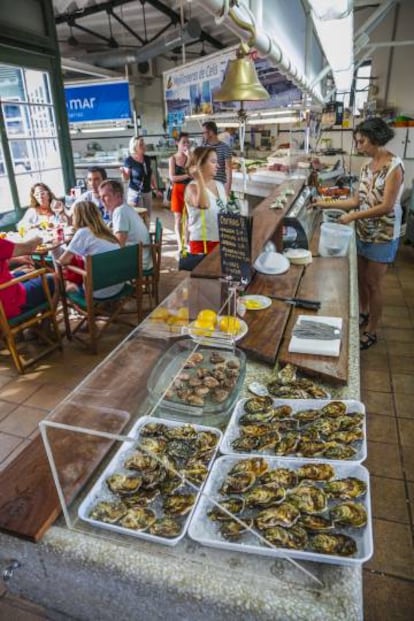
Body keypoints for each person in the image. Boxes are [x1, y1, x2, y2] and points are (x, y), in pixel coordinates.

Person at [312, 117, 405, 350]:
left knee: (374, 283)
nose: (358, 146)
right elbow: (356, 200)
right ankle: (363, 313)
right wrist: (323, 203)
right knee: (362, 278)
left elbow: (386, 205)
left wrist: (352, 217)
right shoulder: (365, 167)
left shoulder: (395, 167)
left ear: (375, 139)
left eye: (361, 141)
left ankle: (372, 330)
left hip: (382, 234)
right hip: (363, 230)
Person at [56, 201, 124, 299]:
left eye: (73, 215)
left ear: (78, 216)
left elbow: (62, 261)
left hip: (98, 291)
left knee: (59, 275)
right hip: (118, 285)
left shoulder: (83, 233)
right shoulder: (108, 233)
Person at [98, 179, 152, 270]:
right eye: (100, 197)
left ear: (118, 196)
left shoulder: (120, 212)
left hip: (138, 263)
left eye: (105, 196)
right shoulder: (125, 208)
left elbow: (119, 244)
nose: (102, 201)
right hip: (141, 257)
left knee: (95, 265)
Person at [0, 236, 58, 319]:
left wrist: (18, 260)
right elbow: (28, 247)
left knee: (29, 272)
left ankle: (32, 324)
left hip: (5, 290)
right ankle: (45, 326)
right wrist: (38, 238)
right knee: (54, 278)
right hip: (8, 305)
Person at [184, 146, 228, 255]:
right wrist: (199, 178)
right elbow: (203, 205)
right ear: (200, 164)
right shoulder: (192, 188)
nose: (217, 166)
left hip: (222, 240)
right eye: (213, 162)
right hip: (202, 244)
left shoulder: (219, 185)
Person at [120, 136, 162, 220]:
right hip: (136, 193)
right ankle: (140, 233)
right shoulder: (129, 160)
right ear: (134, 147)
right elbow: (126, 178)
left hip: (148, 192)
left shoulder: (147, 158)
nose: (144, 146)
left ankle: (146, 232)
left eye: (144, 144)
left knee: (147, 216)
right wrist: (123, 173)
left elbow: (151, 175)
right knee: (138, 217)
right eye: (141, 144)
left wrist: (156, 189)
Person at [168, 132, 192, 252]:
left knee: (188, 218)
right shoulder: (172, 159)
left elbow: (193, 172)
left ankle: (186, 241)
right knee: (178, 218)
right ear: (177, 143)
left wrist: (189, 158)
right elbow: (172, 178)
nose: (186, 145)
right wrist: (187, 175)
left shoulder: (190, 157)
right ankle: (179, 244)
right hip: (177, 190)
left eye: (188, 142)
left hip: (189, 191)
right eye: (184, 142)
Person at [202, 121, 232, 196]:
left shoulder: (225, 148)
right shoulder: (202, 148)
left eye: (204, 132)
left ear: (211, 132)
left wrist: (227, 190)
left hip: (219, 187)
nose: (203, 135)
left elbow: (228, 170)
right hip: (206, 187)